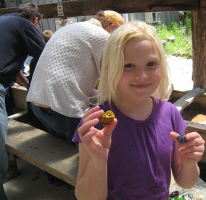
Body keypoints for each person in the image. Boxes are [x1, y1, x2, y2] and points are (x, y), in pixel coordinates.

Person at [72, 21, 205, 199]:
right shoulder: (99, 121)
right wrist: (98, 160)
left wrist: (190, 161)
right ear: (110, 69)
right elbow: (85, 197)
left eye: (151, 64)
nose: (142, 76)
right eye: (129, 65)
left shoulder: (170, 113)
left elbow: (186, 182)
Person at [26, 10, 124, 143]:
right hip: (62, 108)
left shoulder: (69, 28)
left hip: (37, 104)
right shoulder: (102, 36)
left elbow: (77, 76)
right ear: (112, 27)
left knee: (61, 149)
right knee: (90, 150)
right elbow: (112, 80)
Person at [0, 2, 45, 199]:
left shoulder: (4, 21)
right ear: (36, 20)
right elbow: (47, 56)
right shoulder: (26, 25)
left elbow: (12, 62)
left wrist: (26, 84)